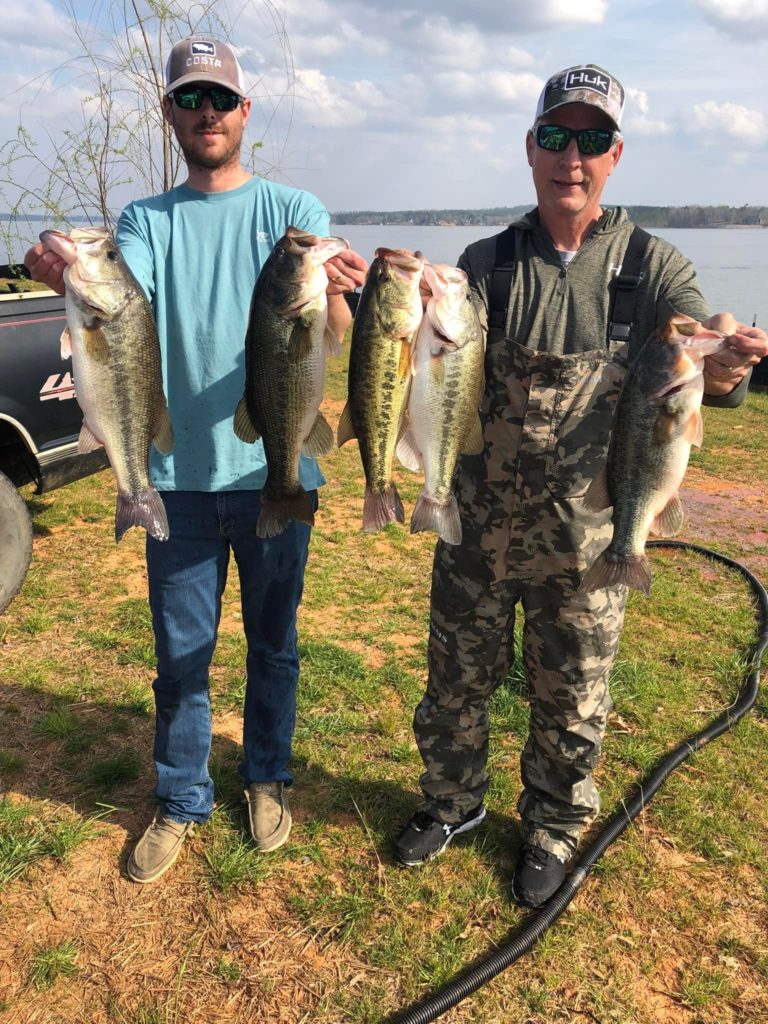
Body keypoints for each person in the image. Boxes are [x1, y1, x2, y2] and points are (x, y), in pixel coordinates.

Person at [393, 63, 768, 907]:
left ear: (615, 154)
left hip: (592, 540)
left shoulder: (651, 265)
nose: (574, 155)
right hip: (475, 530)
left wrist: (726, 351)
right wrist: (399, 309)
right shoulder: (485, 264)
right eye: (557, 136)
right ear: (531, 148)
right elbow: (441, 363)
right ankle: (451, 803)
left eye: (592, 139)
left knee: (572, 701)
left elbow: (701, 337)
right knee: (455, 683)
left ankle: (554, 826)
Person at [26, 35, 367, 884]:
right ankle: (181, 797)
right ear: (171, 114)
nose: (206, 113)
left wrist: (348, 298)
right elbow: (118, 298)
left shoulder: (296, 215)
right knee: (181, 658)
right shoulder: (143, 221)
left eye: (221, 99)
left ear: (246, 112)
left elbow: (329, 334)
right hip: (174, 486)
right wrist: (64, 267)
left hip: (274, 478)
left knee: (274, 646)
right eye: (190, 99)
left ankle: (266, 776)